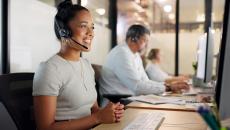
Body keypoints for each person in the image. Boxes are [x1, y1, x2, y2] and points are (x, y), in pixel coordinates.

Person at [32, 1, 124, 130]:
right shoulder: (49, 69)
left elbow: (94, 110)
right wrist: (98, 118)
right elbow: (45, 127)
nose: (91, 32)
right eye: (83, 26)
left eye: (92, 27)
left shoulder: (86, 65)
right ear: (64, 31)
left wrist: (109, 113)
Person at [99, 25, 189, 105]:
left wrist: (167, 86)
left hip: (130, 99)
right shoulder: (121, 54)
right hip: (117, 102)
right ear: (132, 39)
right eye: (144, 41)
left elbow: (145, 81)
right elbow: (137, 87)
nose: (147, 45)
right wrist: (168, 87)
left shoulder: (135, 55)